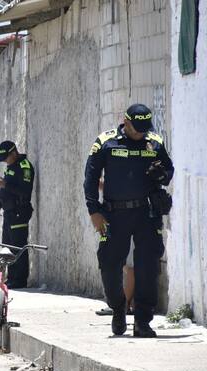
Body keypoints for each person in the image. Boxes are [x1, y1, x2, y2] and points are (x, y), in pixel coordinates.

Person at [84, 103, 173, 338]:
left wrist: (161, 174)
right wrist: (94, 211)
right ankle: (118, 306)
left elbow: (169, 170)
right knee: (109, 264)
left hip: (146, 213)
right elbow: (90, 178)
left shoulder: (154, 142)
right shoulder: (106, 142)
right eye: (137, 128)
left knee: (148, 268)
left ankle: (143, 321)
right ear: (125, 121)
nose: (140, 133)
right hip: (114, 214)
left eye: (145, 128)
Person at [0, 140, 35, 289]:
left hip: (20, 211)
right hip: (9, 211)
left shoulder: (25, 167)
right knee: (8, 246)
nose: (5, 160)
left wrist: (6, 185)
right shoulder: (10, 167)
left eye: (6, 157)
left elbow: (24, 191)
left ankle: (20, 280)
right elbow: (5, 188)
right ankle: (11, 278)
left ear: (13, 153)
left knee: (18, 246)